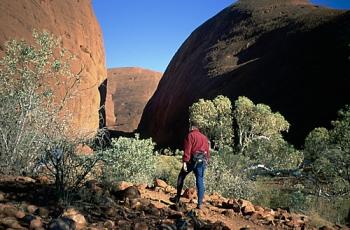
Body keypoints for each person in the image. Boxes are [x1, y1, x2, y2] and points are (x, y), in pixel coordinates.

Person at [170, 121, 210, 209]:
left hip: (192, 161)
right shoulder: (204, 137)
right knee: (200, 180)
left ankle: (177, 198)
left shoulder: (190, 135)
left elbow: (187, 149)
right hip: (202, 161)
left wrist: (185, 161)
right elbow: (207, 151)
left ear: (192, 128)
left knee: (181, 177)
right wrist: (207, 161)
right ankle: (199, 204)